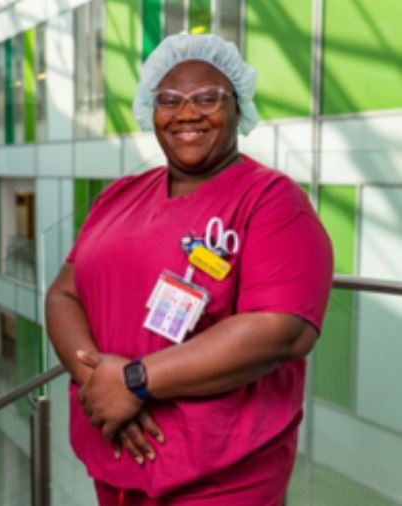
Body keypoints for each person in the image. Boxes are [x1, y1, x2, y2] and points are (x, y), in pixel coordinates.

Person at [46, 33, 333, 506]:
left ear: (238, 106)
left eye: (207, 98)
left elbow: (283, 330)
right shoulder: (119, 196)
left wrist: (136, 380)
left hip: (222, 479)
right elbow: (64, 294)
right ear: (150, 110)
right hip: (117, 455)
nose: (186, 113)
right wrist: (99, 382)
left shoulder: (272, 202)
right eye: (169, 100)